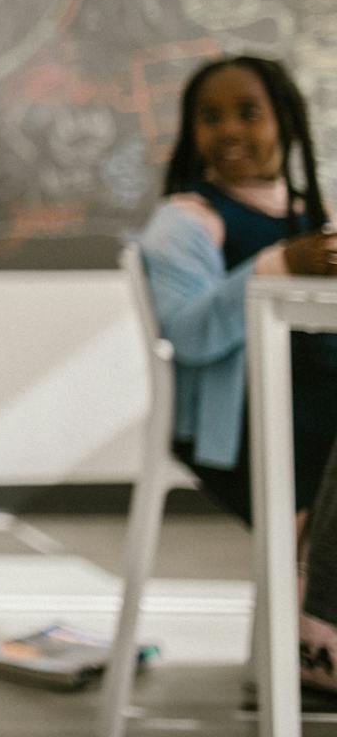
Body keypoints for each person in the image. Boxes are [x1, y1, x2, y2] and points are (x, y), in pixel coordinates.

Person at [136, 54, 337, 694]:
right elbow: (190, 333)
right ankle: (315, 644)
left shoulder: (313, 216)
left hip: (313, 416)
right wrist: (276, 266)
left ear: (286, 121)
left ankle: (311, 636)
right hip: (239, 431)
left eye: (249, 113)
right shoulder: (188, 222)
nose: (229, 130)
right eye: (210, 116)